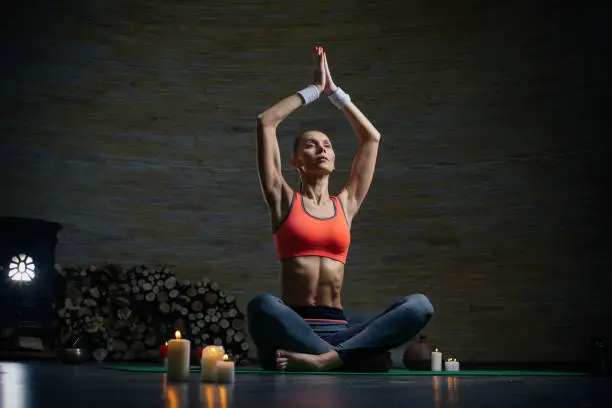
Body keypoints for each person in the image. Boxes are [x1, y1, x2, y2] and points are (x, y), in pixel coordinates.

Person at [247, 46, 434, 372]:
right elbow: (266, 122)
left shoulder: (344, 205)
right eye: (310, 144)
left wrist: (336, 94)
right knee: (261, 306)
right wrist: (313, 91)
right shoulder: (282, 199)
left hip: (340, 329)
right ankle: (353, 358)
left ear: (334, 161)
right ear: (295, 162)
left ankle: (329, 360)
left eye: (328, 145)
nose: (321, 148)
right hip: (294, 326)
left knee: (419, 305)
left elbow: (371, 138)